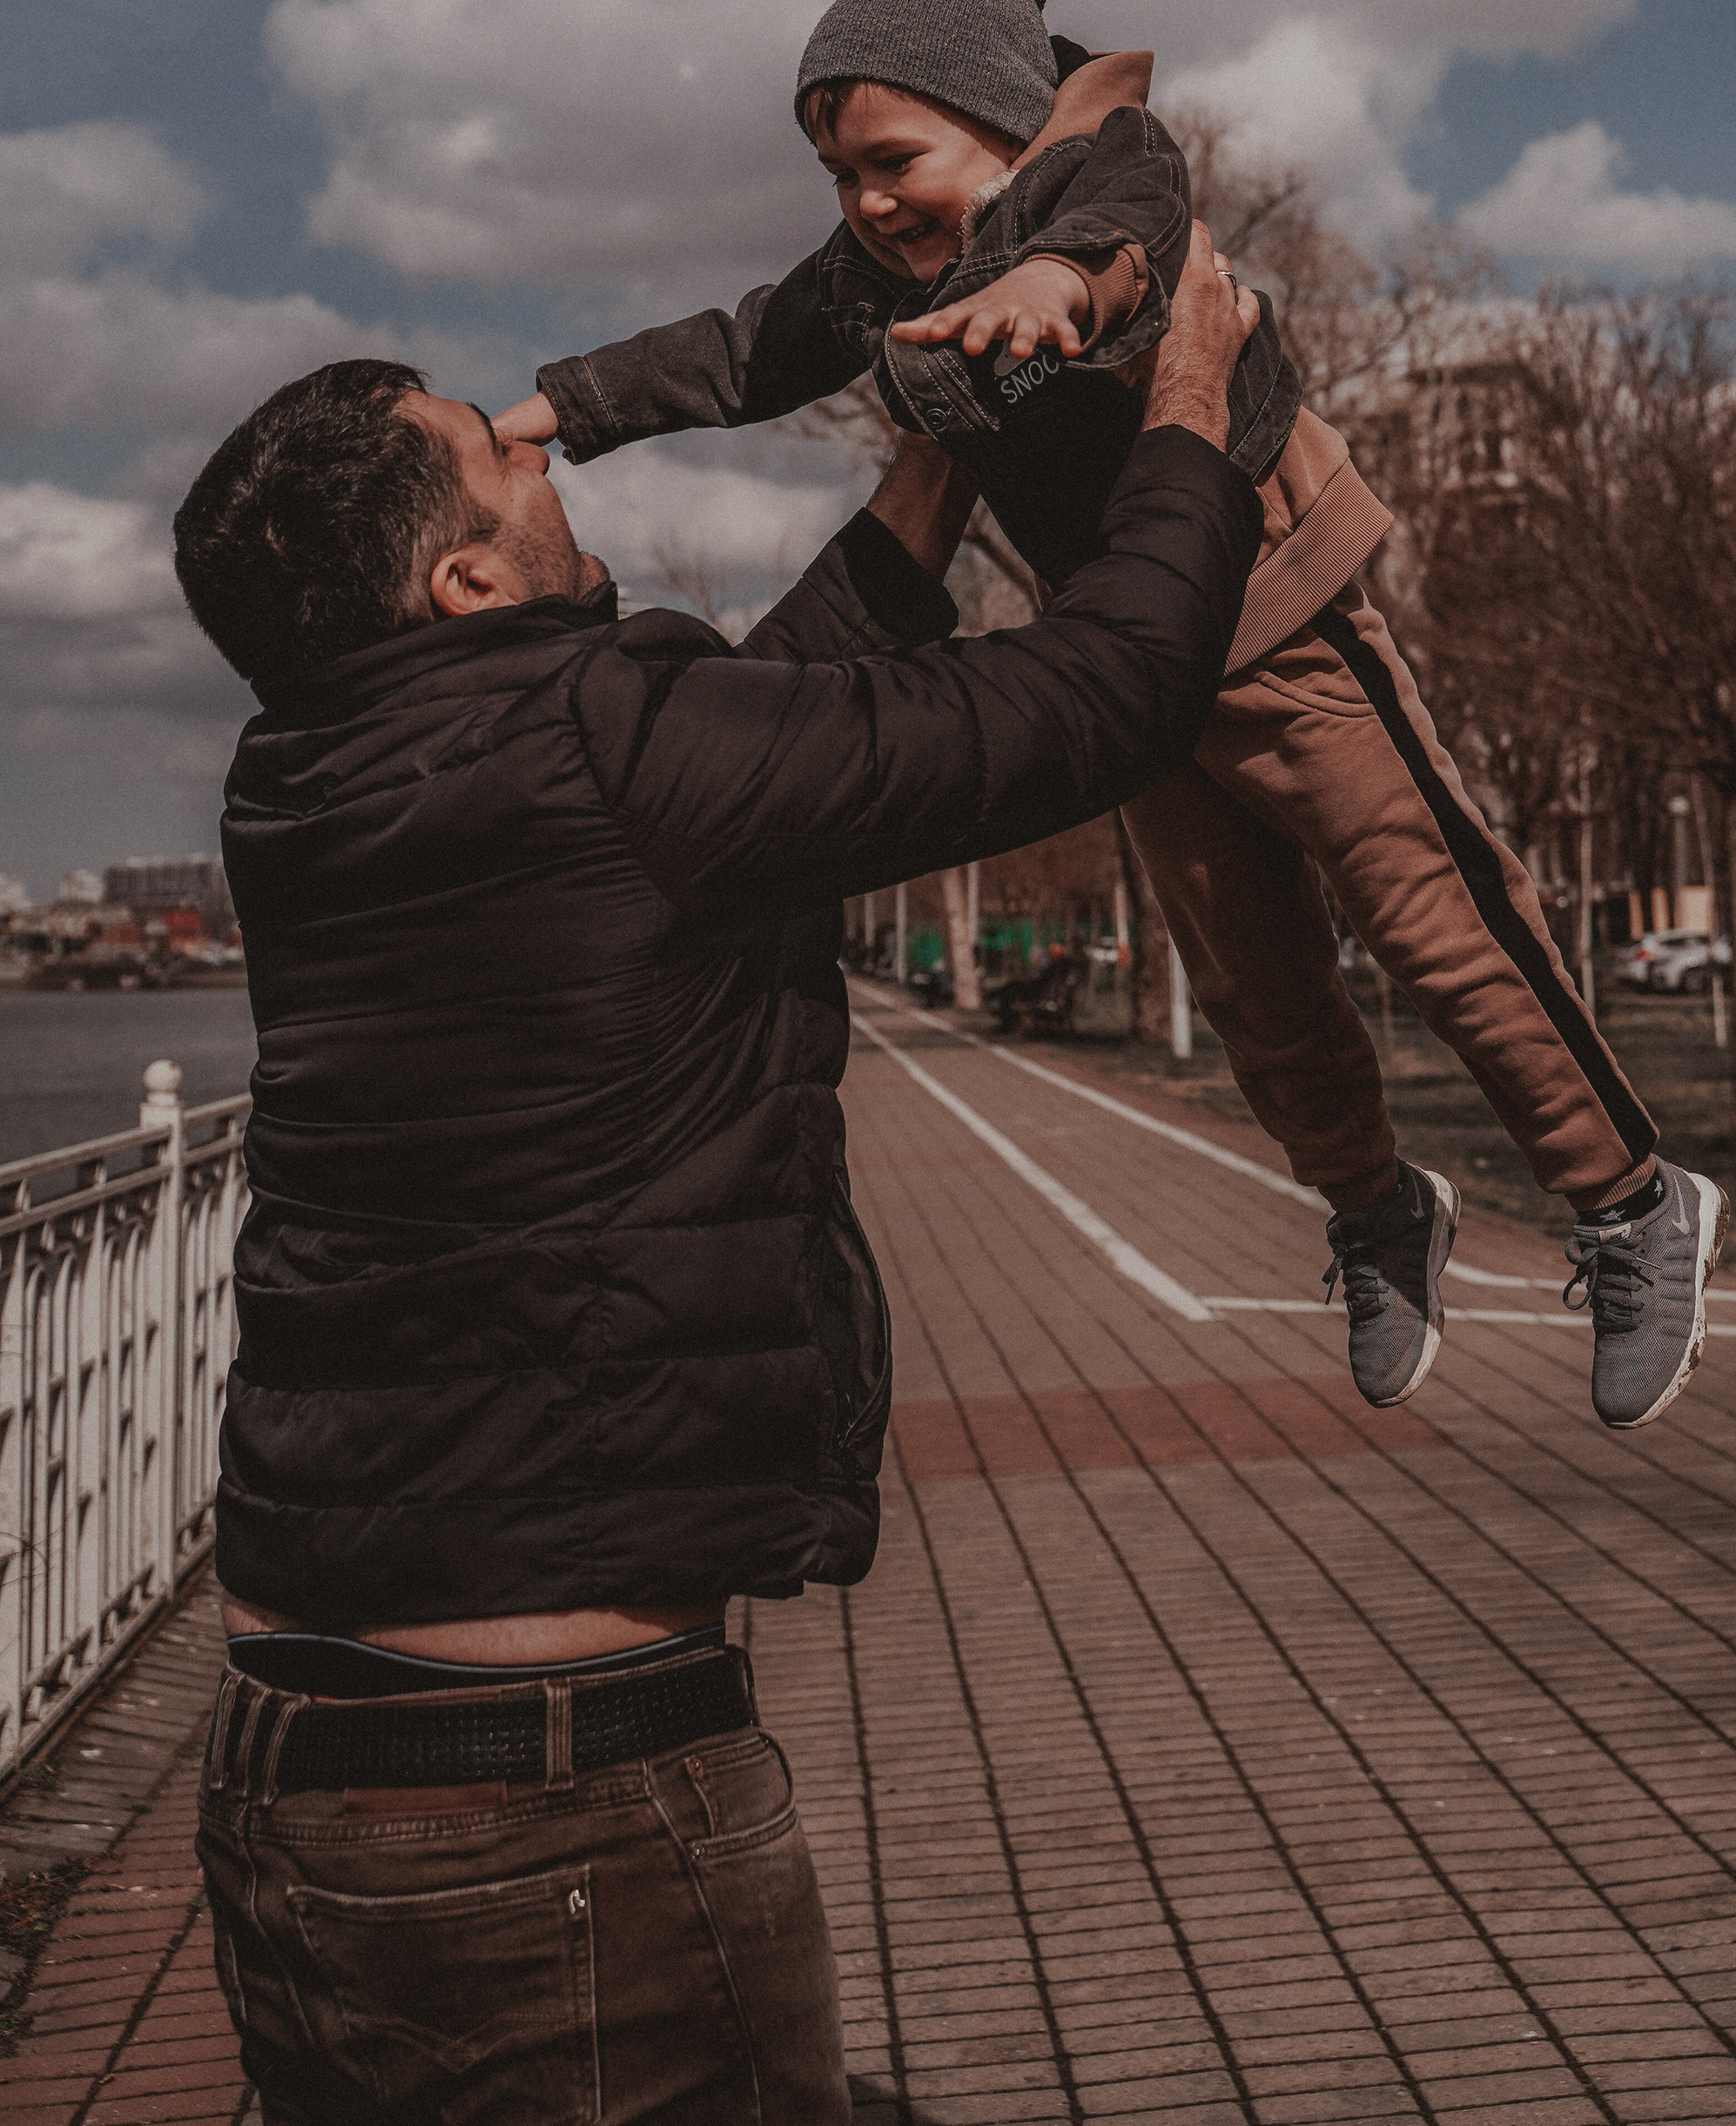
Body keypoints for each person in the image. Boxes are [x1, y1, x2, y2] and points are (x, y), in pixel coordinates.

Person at [172, 229, 1261, 2126]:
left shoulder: (311, 785)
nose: (546, 455)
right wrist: (1190, 418)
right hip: (549, 1806)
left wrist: (929, 471)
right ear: (464, 579)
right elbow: (1100, 697)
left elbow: (743, 752)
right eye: (503, 460)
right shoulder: (604, 755)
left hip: (293, 1765)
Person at [498, 0, 1723, 1431]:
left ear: (1002, 117)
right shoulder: (880, 269)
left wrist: (1059, 297)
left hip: (1279, 608)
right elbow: (748, 349)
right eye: (841, 179)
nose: (870, 204)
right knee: (1256, 984)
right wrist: (573, 407)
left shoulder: (1107, 160)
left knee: (1432, 910)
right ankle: (1376, 1207)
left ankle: (1627, 1197)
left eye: (896, 159)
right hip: (1133, 656)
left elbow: (1129, 239)